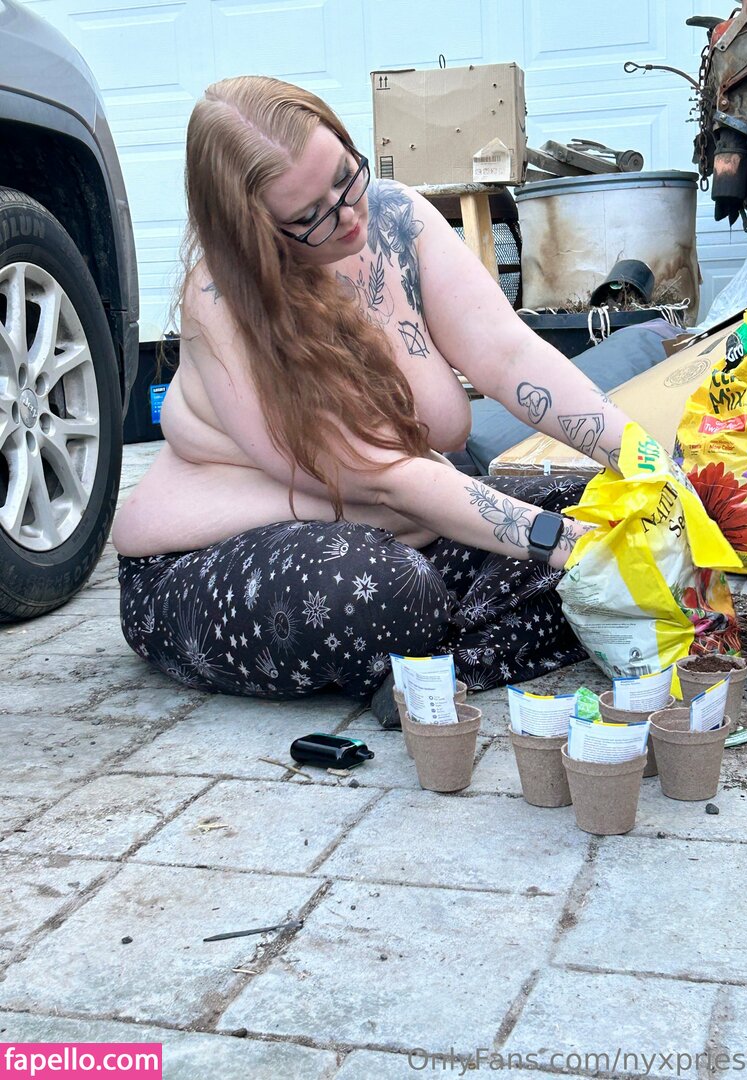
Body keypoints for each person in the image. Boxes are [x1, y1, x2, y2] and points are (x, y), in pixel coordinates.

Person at [113, 74, 636, 714]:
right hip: (215, 563)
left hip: (404, 525)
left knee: (613, 512)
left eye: (346, 176)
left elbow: (509, 355)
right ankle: (443, 655)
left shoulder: (397, 218)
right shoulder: (224, 299)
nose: (347, 215)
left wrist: (646, 463)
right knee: (389, 587)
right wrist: (571, 547)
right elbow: (386, 480)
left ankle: (428, 666)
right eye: (308, 216)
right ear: (253, 233)